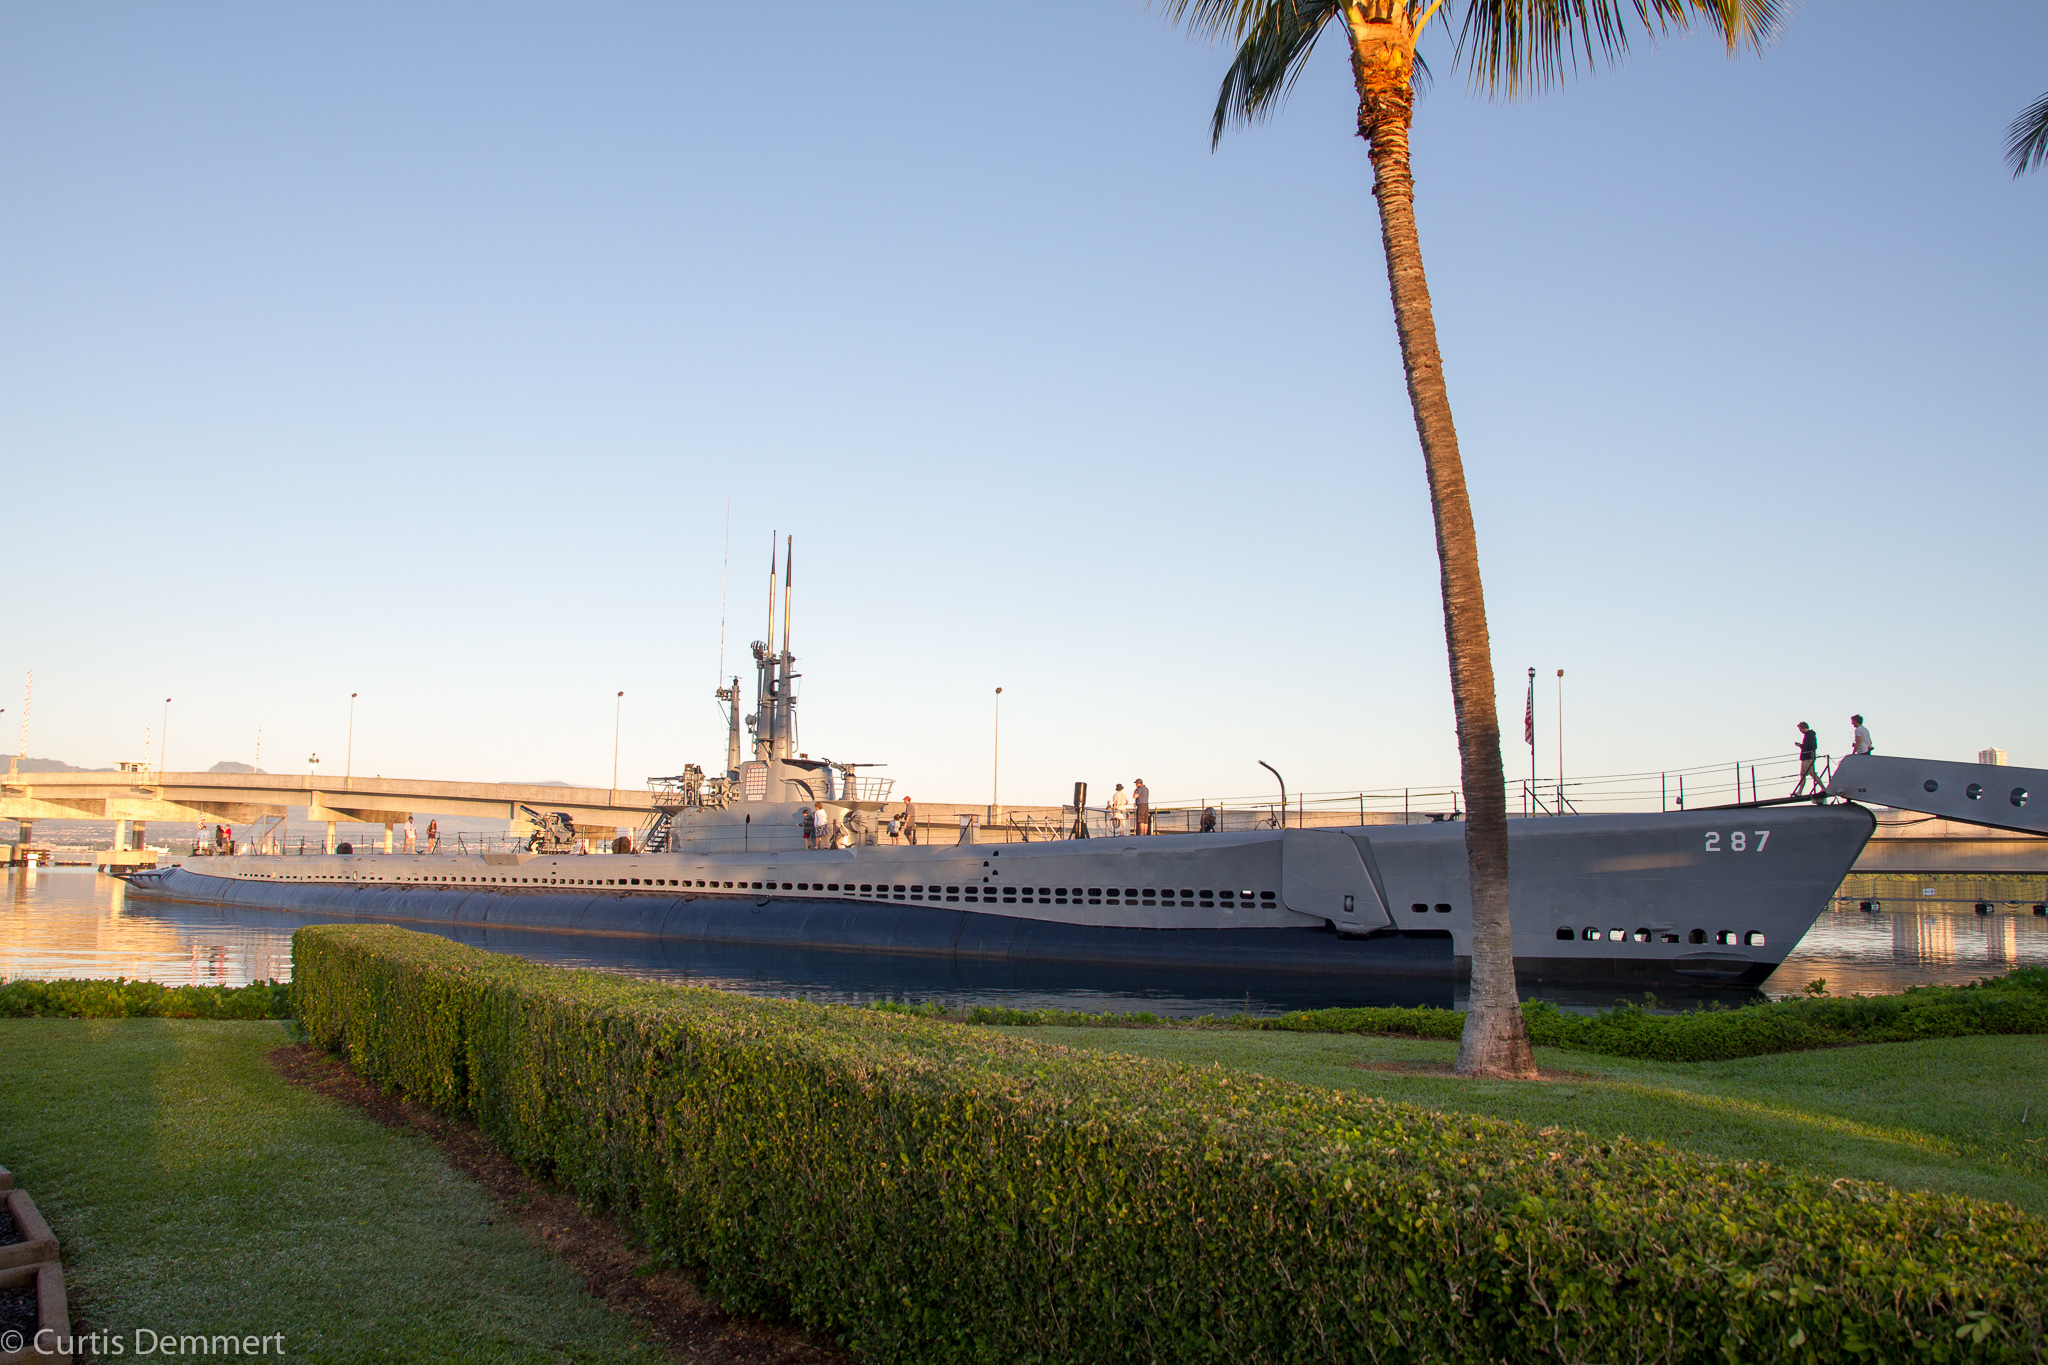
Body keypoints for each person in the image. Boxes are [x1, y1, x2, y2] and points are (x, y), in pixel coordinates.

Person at [1792, 722, 1822, 796]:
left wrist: (1801, 746)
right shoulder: (1808, 735)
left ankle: (1824, 788)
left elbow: (1811, 746)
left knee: (1812, 773)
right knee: (1803, 775)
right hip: (1806, 757)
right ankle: (1799, 792)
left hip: (1808, 757)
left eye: (1800, 729)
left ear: (1803, 727)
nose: (1800, 731)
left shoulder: (1810, 735)